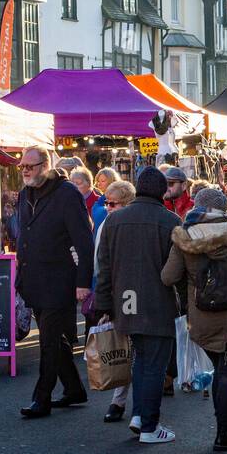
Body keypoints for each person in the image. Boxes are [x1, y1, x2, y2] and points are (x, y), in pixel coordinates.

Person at [161, 188, 227, 450]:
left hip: (202, 316)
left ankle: (223, 430)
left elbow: (168, 276)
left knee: (219, 366)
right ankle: (223, 434)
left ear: (197, 207)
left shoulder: (184, 238)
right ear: (222, 208)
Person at [94, 167, 181, 443]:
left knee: (141, 361)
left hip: (125, 303)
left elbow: (104, 267)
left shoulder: (114, 220)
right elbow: (178, 270)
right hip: (158, 302)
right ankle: (149, 426)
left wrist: (104, 304)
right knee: (154, 364)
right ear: (162, 190)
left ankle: (140, 416)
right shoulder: (171, 221)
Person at [14, 146, 94, 419]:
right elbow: (24, 234)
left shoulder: (67, 194)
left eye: (30, 166)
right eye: (22, 166)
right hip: (33, 279)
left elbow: (84, 240)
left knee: (48, 342)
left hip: (59, 280)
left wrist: (83, 281)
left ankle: (41, 398)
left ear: (45, 166)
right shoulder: (26, 193)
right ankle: (73, 389)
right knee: (55, 339)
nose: (25, 170)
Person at [92, 180, 136, 423]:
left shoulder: (134, 224)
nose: (107, 207)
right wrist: (104, 301)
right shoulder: (106, 225)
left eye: (113, 203)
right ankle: (118, 401)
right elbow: (101, 266)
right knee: (123, 347)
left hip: (137, 294)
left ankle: (134, 402)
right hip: (118, 295)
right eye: (106, 202)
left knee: (136, 348)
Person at [90, 167, 119, 233]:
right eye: (98, 181)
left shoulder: (116, 199)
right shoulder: (101, 198)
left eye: (103, 181)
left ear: (111, 181)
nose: (99, 184)